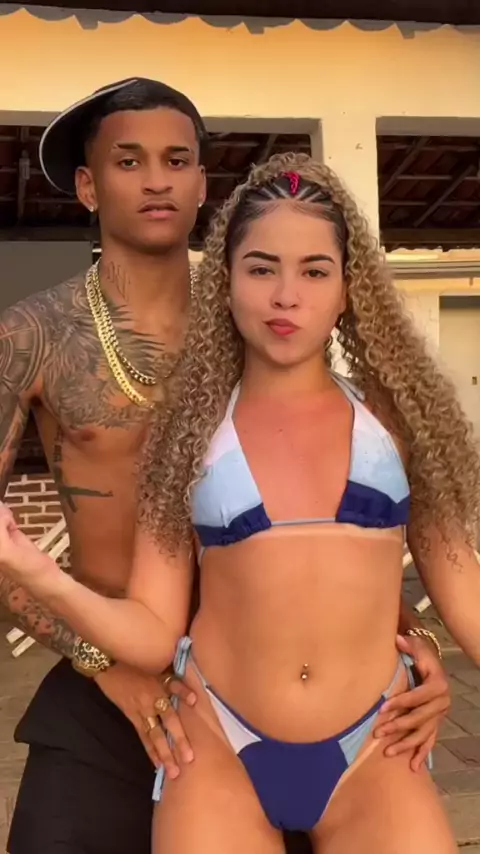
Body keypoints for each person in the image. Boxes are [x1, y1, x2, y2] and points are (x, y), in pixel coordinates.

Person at [0, 153, 471, 853]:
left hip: (375, 751)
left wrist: (427, 650)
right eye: (261, 268)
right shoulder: (187, 437)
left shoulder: (398, 427)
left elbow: (468, 598)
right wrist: (33, 569)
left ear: (348, 290)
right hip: (218, 746)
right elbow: (154, 633)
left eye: (315, 271)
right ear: (225, 282)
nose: (286, 295)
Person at [1, 77, 207, 854]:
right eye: (129, 161)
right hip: (99, 678)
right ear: (88, 187)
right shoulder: (32, 334)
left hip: (255, 676)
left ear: (201, 183)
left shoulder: (257, 321)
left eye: (176, 160)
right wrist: (105, 667)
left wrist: (411, 640)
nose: (156, 179)